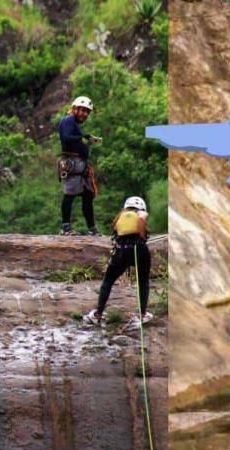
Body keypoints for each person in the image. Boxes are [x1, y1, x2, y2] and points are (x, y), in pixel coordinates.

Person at [84, 196, 153, 327]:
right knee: (143, 282)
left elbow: (115, 235)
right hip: (140, 251)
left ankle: (98, 314)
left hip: (121, 252)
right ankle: (143, 314)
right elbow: (143, 235)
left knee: (108, 281)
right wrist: (142, 220)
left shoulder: (119, 218)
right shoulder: (141, 215)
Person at [57, 96, 102, 235]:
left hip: (80, 165)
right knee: (69, 195)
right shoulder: (68, 120)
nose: (84, 114)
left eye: (87, 112)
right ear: (75, 109)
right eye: (82, 110)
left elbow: (72, 139)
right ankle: (65, 227)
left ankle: (92, 229)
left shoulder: (73, 123)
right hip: (71, 164)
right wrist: (83, 137)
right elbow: (66, 138)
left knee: (88, 196)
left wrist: (85, 140)